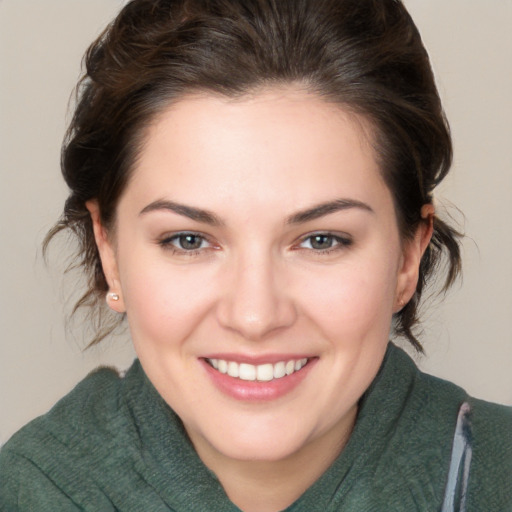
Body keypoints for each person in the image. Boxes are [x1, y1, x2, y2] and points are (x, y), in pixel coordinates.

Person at [0, 0, 510, 510]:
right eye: (189, 240)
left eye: (321, 240)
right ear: (108, 250)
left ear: (407, 257)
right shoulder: (31, 490)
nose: (255, 316)